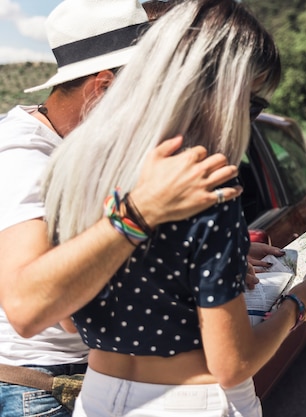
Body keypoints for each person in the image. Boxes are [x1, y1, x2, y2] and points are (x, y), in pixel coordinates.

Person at [42, 0, 306, 416]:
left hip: (99, 397)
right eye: (252, 105)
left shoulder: (70, 168)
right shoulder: (206, 183)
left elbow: (70, 321)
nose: (247, 119)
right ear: (220, 92)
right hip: (195, 402)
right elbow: (232, 364)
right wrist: (298, 306)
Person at [0, 0, 244, 415]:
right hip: (42, 387)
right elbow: (28, 308)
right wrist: (139, 212)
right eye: (146, 90)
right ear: (104, 87)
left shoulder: (78, 147)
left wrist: (204, 260)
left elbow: (91, 255)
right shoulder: (24, 155)